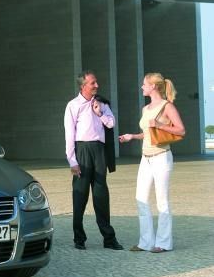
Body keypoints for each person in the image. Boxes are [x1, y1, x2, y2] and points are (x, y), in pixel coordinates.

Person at [119, 72, 185, 252]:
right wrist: (132, 136)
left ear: (153, 86)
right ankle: (145, 242)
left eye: (144, 84)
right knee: (141, 198)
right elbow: (148, 134)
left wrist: (160, 125)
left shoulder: (167, 106)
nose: (142, 87)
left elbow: (181, 130)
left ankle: (163, 243)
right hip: (145, 159)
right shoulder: (145, 109)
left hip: (162, 157)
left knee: (162, 201)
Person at [64, 71, 123, 250]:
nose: (97, 85)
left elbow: (111, 123)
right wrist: (72, 161)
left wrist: (99, 113)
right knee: (80, 195)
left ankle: (109, 238)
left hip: (99, 151)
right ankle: (79, 238)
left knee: (101, 194)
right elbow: (69, 134)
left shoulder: (102, 103)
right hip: (82, 150)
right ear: (83, 86)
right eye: (93, 83)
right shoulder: (73, 105)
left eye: (96, 82)